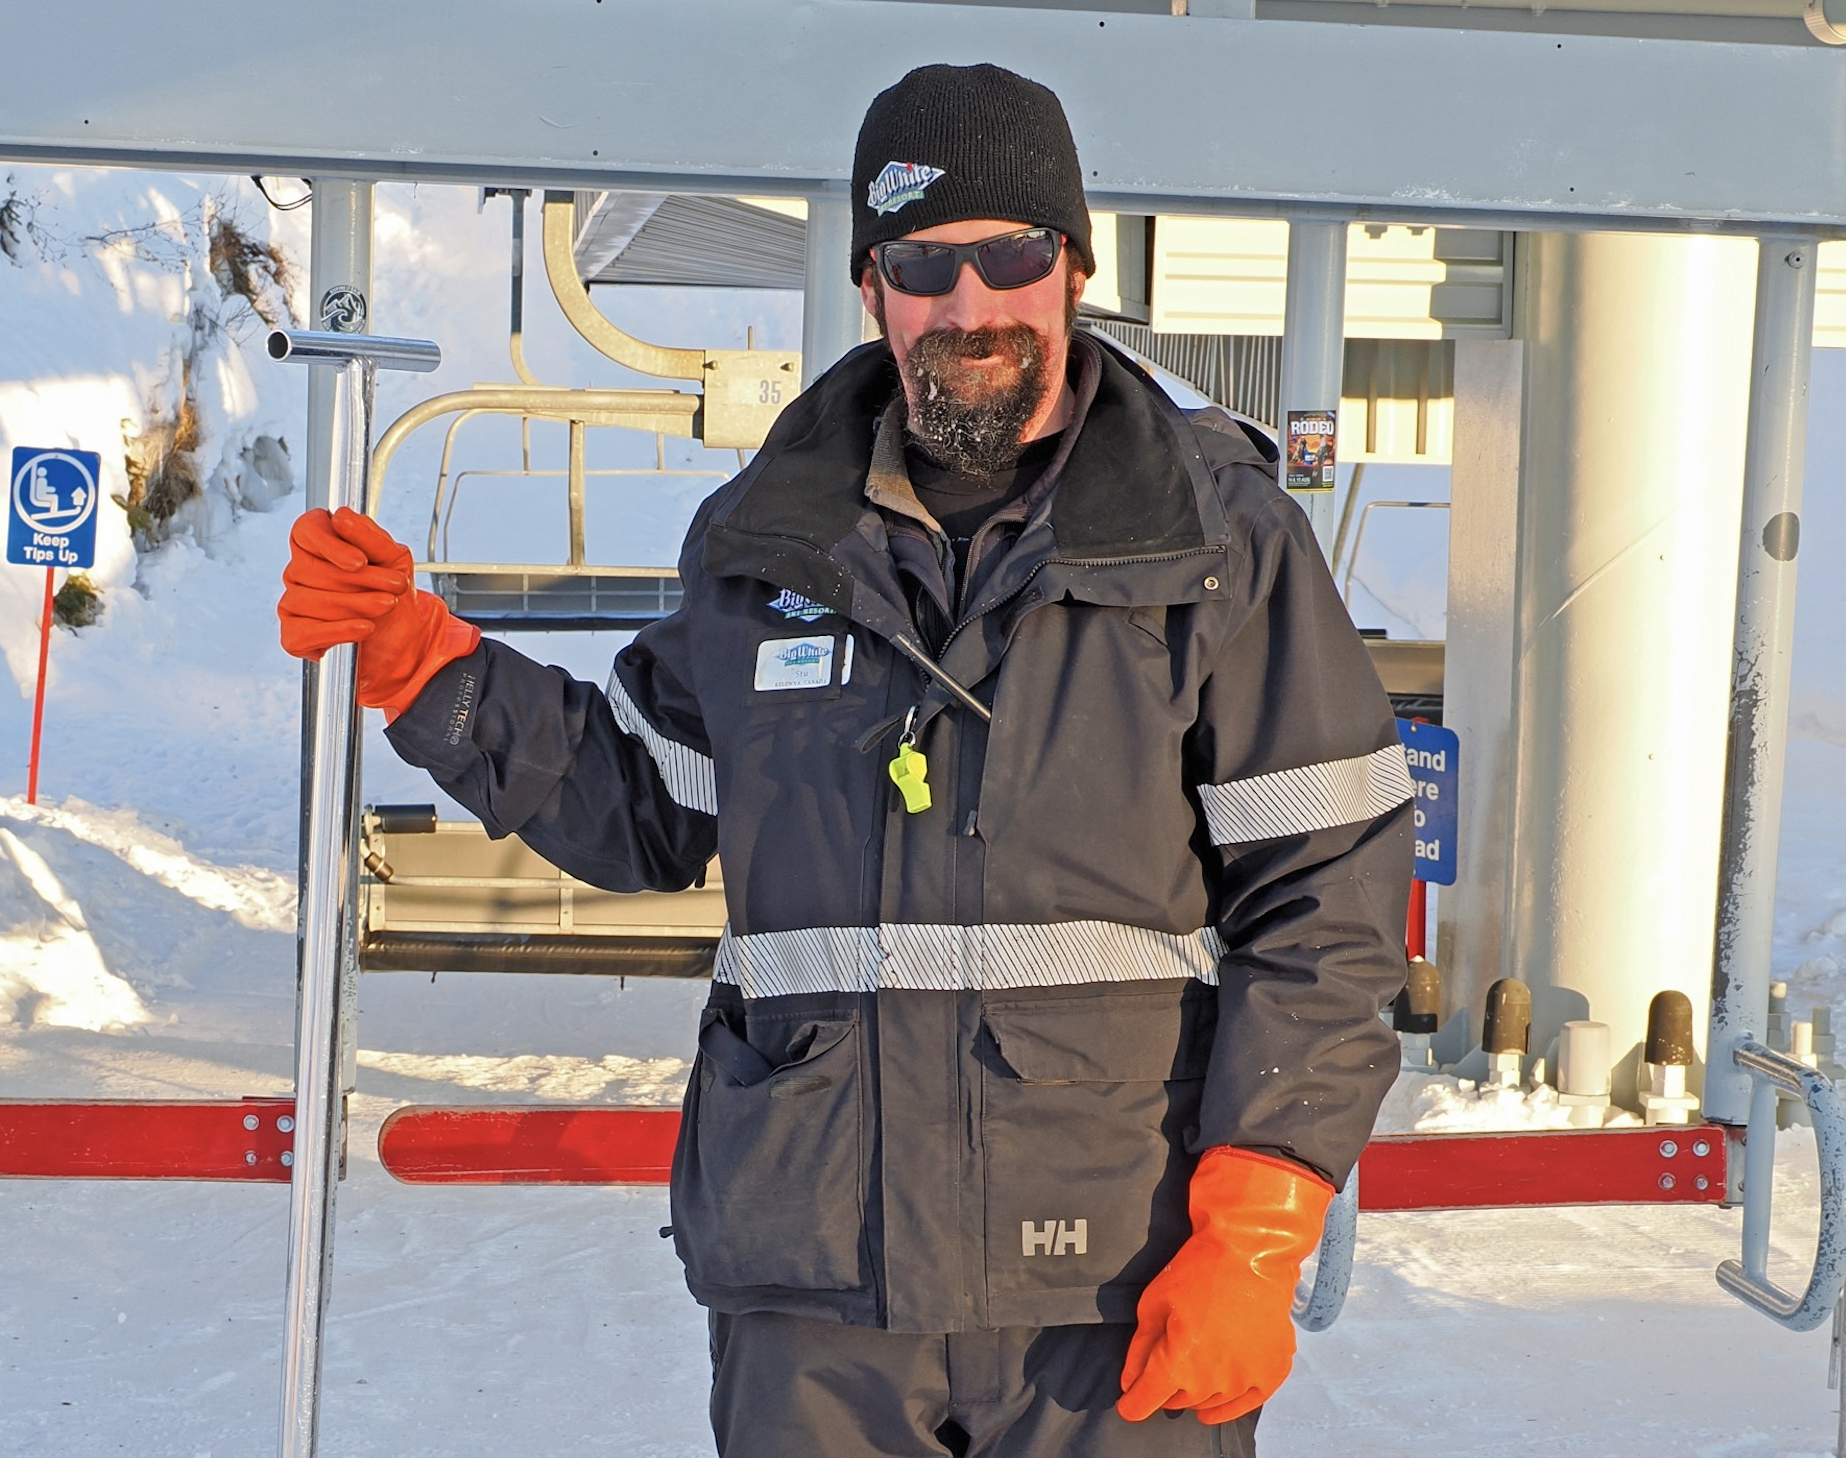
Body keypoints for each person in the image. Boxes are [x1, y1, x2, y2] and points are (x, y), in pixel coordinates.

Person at [279, 63, 1412, 1458]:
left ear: (1073, 267)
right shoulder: (767, 541)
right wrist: (422, 662)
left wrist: (1254, 1229)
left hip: (1111, 1284)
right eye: (926, 264)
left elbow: (1328, 898)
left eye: (1011, 254)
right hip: (815, 1286)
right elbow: (640, 805)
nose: (970, 303)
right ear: (873, 286)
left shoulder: (1214, 537)